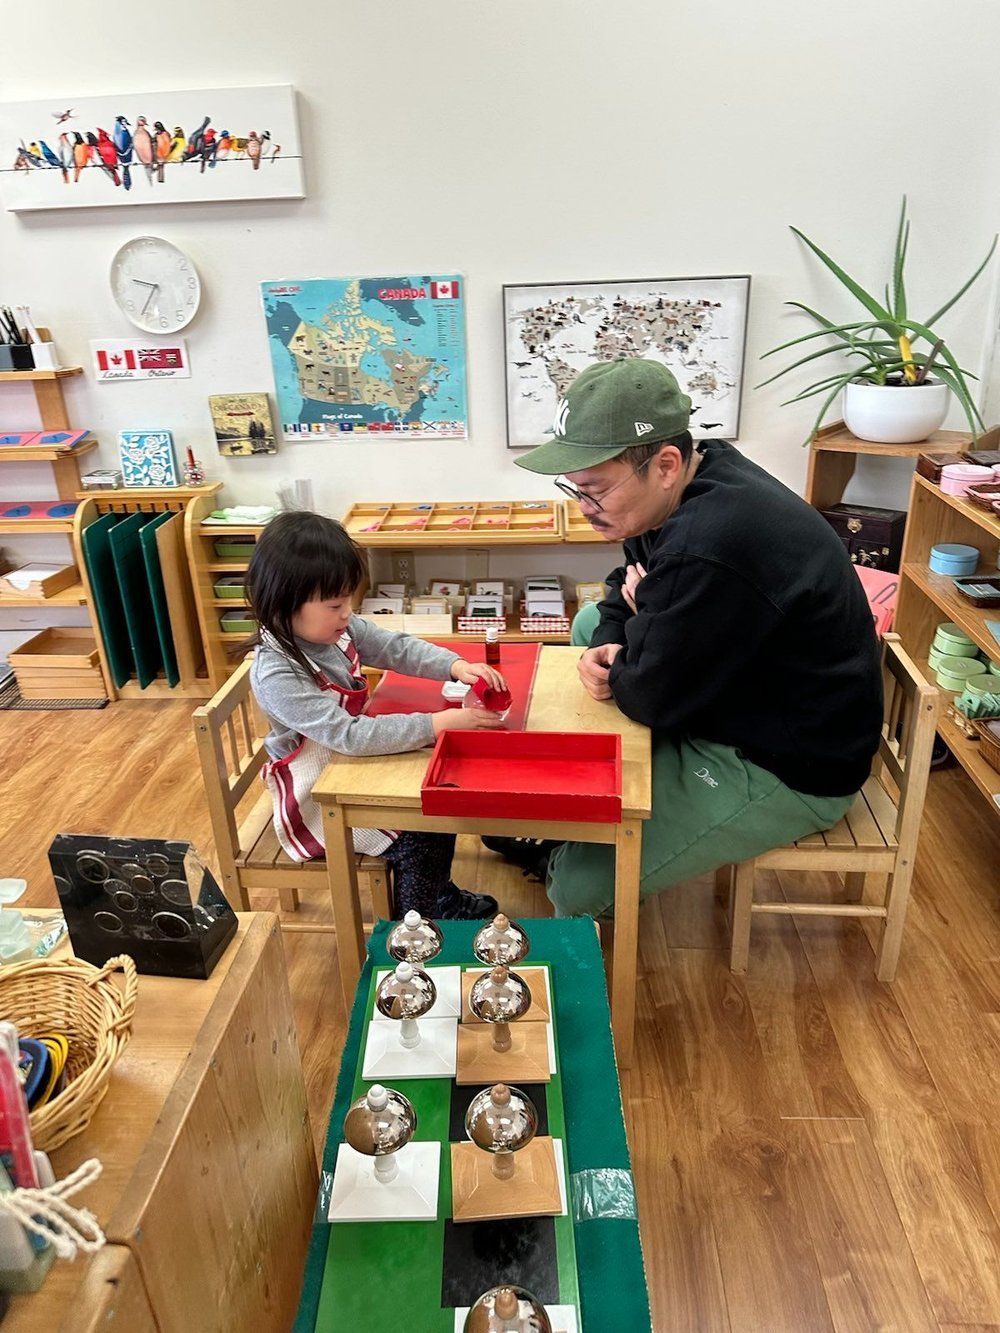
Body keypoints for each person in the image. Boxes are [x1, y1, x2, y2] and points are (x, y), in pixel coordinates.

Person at [484, 356, 884, 917]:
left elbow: (651, 697)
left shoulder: (713, 541)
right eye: (574, 488)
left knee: (577, 890)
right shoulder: (693, 477)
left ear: (666, 464)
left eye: (595, 489)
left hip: (786, 759)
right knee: (586, 627)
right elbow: (619, 584)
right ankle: (587, 814)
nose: (584, 508)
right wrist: (629, 622)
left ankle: (562, 849)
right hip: (730, 692)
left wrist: (639, 622)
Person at [247, 510, 504, 920]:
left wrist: (455, 666)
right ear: (284, 601)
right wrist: (436, 725)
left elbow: (394, 646)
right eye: (335, 604)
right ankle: (418, 927)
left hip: (350, 766)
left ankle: (436, 892)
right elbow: (348, 736)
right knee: (423, 832)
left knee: (440, 801)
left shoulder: (335, 628)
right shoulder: (278, 671)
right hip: (317, 796)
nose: (347, 612)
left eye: (348, 599)